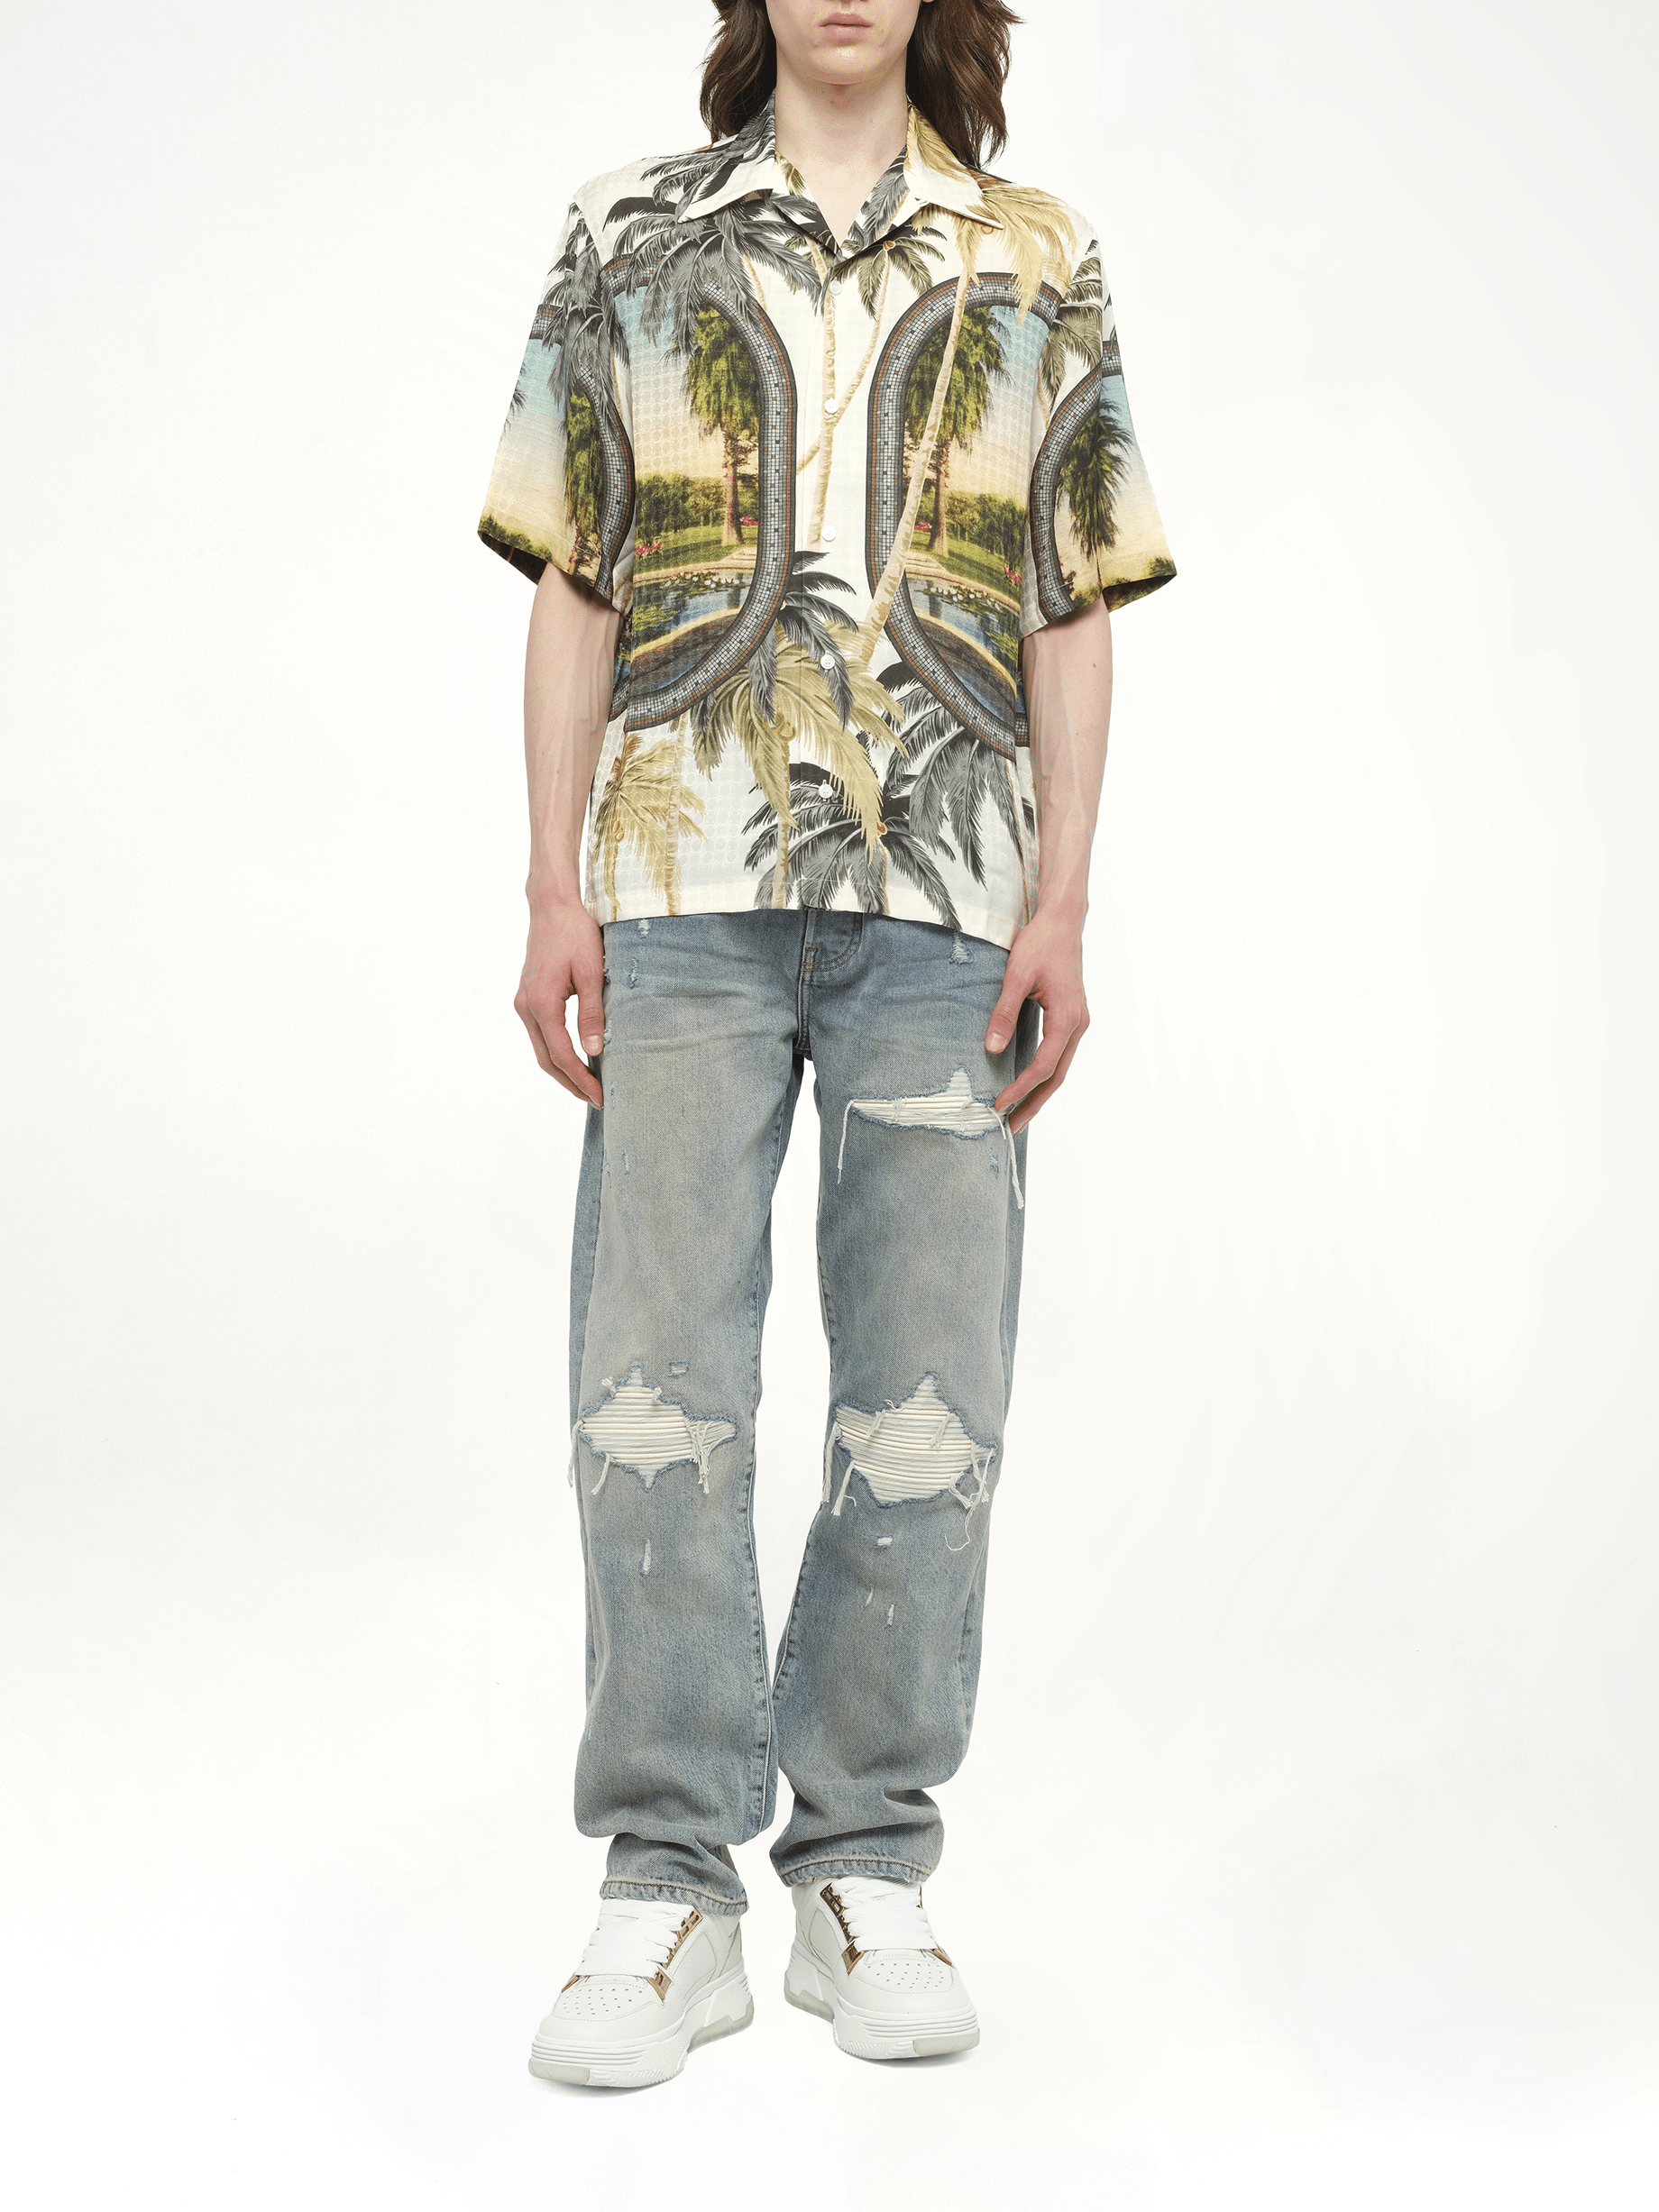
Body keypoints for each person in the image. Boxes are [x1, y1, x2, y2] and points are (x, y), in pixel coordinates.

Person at [478, 0, 1173, 2088]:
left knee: (925, 1399)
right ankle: (666, 1883)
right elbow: (575, 575)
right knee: (651, 1393)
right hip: (674, 884)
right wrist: (549, 885)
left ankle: (866, 1863)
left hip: (948, 907)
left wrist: (1062, 899)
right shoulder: (628, 232)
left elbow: (1067, 597)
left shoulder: (1033, 254)